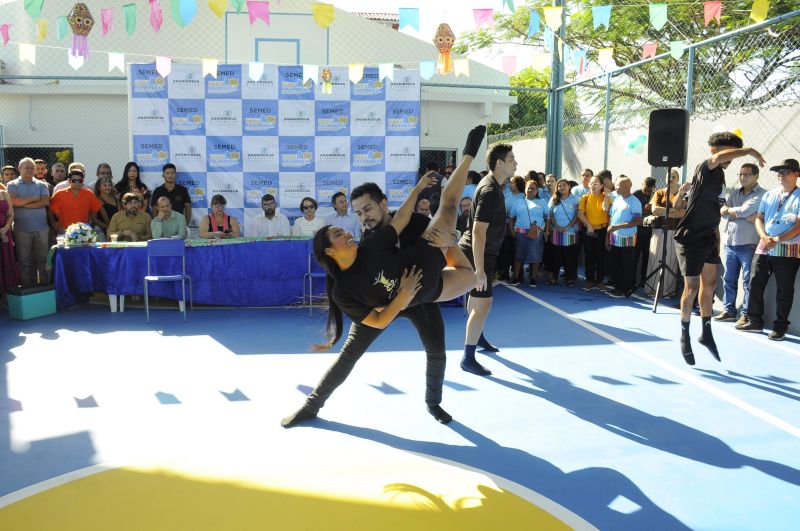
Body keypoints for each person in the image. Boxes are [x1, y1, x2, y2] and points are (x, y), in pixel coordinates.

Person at [281, 126, 485, 428]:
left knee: (437, 350)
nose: (363, 217)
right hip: (383, 304)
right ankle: (311, 406)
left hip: (419, 296)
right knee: (348, 355)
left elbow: (437, 230)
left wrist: (451, 240)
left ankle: (433, 403)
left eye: (367, 209)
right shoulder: (366, 245)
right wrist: (399, 297)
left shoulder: (415, 223)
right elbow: (370, 307)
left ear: (384, 204)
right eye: (358, 213)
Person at [672, 132, 765, 365]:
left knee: (711, 284)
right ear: (714, 151)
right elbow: (719, 158)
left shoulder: (720, 178)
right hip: (690, 236)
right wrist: (749, 150)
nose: (730, 159)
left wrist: (716, 234)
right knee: (691, 288)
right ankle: (684, 334)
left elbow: (717, 209)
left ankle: (706, 332)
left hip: (708, 237)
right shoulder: (705, 167)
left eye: (733, 155)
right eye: (727, 153)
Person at [459, 141, 517, 376]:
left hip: (481, 254)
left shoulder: (493, 185)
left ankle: (478, 336)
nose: (516, 163)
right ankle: (468, 358)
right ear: (500, 163)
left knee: (477, 301)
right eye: (512, 159)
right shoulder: (491, 190)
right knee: (484, 304)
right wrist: (480, 270)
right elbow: (478, 231)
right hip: (478, 255)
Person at [736, 159, 800, 341]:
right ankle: (755, 321)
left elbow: (799, 226)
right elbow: (759, 218)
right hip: (765, 246)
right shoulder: (769, 195)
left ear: (796, 174)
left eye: (786, 171)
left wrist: (777, 239)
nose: (781, 174)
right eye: (779, 171)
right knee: (755, 282)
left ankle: (780, 327)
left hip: (789, 248)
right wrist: (764, 236)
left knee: (784, 289)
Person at [714, 163, 765, 325]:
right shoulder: (735, 193)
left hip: (748, 244)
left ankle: (746, 314)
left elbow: (742, 211)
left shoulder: (762, 194)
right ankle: (729, 310)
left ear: (756, 176)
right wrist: (743, 214)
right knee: (729, 279)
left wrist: (735, 212)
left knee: (748, 282)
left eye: (747, 174)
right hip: (730, 243)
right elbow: (722, 212)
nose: (743, 177)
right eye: (741, 174)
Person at [6, 158, 50, 286]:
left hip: (41, 228)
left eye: (32, 168)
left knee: (42, 259)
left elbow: (45, 201)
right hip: (21, 229)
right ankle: (27, 287)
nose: (30, 170)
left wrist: (24, 204)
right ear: (19, 169)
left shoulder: (42, 185)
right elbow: (14, 202)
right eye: (27, 167)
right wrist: (34, 198)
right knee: (24, 261)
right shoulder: (12, 185)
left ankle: (44, 286)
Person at [605, 177, 642, 298]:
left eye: (617, 185)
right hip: (614, 237)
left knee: (626, 265)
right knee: (615, 263)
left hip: (628, 238)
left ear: (626, 187)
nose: (615, 187)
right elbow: (611, 219)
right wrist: (607, 237)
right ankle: (617, 287)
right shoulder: (617, 199)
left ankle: (625, 289)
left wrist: (618, 227)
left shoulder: (635, 202)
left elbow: (637, 221)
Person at [510, 180, 549, 287]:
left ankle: (533, 278)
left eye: (533, 188)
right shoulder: (518, 202)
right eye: (529, 188)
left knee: (535, 257)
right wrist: (512, 231)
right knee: (518, 256)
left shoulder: (542, 202)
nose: (531, 190)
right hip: (520, 233)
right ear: (525, 189)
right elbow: (511, 217)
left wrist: (547, 231)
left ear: (537, 191)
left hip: (536, 233)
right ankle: (516, 277)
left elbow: (547, 217)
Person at [578, 175, 610, 290]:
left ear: (601, 185)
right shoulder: (584, 197)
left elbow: (606, 209)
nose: (593, 185)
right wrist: (588, 225)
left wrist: (607, 196)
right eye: (591, 183)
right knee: (589, 256)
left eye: (596, 183)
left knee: (600, 256)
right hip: (589, 230)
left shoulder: (606, 197)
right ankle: (589, 280)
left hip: (602, 230)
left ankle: (599, 280)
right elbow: (580, 214)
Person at [49, 167, 103, 233]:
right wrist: (54, 224)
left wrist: (93, 222)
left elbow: (96, 209)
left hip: (83, 231)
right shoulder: (59, 194)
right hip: (65, 230)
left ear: (83, 181)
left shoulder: (89, 194)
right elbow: (49, 209)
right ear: (69, 181)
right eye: (74, 180)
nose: (77, 182)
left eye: (80, 180)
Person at [549, 178, 580, 285]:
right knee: (555, 256)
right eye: (559, 186)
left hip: (570, 232)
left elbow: (577, 215)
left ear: (569, 186)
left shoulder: (575, 199)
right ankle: (554, 277)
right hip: (556, 232)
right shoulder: (553, 199)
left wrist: (568, 227)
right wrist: (557, 226)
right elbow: (550, 215)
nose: (562, 187)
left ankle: (569, 278)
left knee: (569, 257)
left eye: (564, 185)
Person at [633, 177, 656, 287]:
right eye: (646, 189)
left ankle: (643, 281)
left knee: (647, 258)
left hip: (649, 232)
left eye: (650, 190)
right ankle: (632, 280)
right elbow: (632, 212)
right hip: (637, 231)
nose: (647, 192)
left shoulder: (654, 195)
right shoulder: (635, 195)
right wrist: (644, 209)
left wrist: (652, 209)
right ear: (642, 184)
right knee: (635, 257)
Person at [0, 185, 21, 303]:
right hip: (2, 235)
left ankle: (7, 297)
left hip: (5, 234)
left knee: (7, 265)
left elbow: (11, 214)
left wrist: (4, 229)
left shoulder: (4, 193)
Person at [93, 176, 120, 241]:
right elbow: (94, 219)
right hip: (101, 228)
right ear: (99, 187)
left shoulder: (116, 200)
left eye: (109, 185)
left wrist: (114, 228)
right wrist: (107, 227)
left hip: (114, 228)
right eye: (105, 185)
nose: (107, 187)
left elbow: (120, 215)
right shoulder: (96, 200)